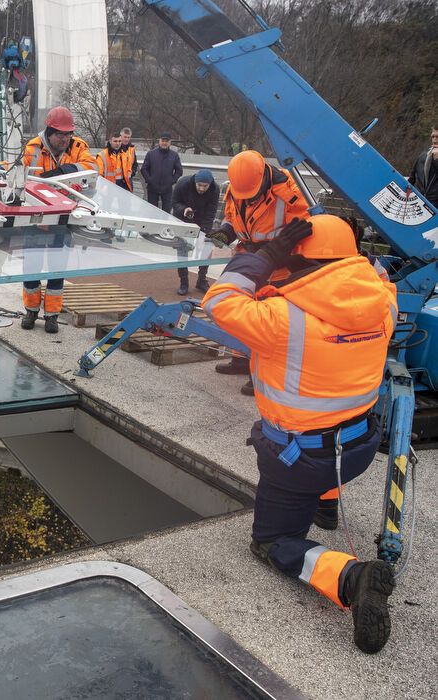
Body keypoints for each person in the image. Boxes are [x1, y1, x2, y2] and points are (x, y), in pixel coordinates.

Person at [202, 215, 398, 654]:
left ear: (296, 259)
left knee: (270, 542)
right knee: (327, 439)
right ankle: (325, 509)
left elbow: (218, 300)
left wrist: (263, 257)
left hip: (304, 460)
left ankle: (349, 578)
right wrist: (344, 244)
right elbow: (375, 273)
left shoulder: (280, 318)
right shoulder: (383, 304)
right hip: (360, 446)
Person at [209, 149, 309, 381]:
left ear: (263, 177)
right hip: (248, 256)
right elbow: (231, 216)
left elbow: (305, 227)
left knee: (268, 321)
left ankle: (261, 374)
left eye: (251, 194)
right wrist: (226, 231)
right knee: (242, 309)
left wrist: (286, 253)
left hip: (279, 262)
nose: (248, 198)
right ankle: (240, 359)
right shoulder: (238, 188)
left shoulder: (289, 193)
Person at [18, 106, 94, 334]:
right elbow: (22, 178)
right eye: (60, 134)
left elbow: (91, 168)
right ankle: (31, 311)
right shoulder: (32, 148)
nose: (65, 139)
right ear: (49, 132)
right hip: (35, 218)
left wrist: (65, 171)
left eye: (68, 134)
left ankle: (51, 315)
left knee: (57, 270)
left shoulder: (79, 147)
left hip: (63, 218)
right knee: (31, 268)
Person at [172, 169, 219, 295]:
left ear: (210, 184)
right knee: (182, 249)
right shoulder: (183, 183)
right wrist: (184, 209)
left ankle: (201, 280)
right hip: (183, 217)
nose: (202, 189)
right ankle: (184, 282)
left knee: (207, 247)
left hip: (203, 218)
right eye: (200, 185)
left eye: (205, 186)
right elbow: (175, 203)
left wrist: (203, 233)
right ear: (195, 182)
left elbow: (211, 212)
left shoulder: (215, 189)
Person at [140, 132, 183, 214]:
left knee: (167, 212)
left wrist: (172, 180)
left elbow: (179, 171)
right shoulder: (151, 154)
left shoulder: (174, 155)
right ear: (159, 141)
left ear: (170, 142)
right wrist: (149, 180)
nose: (164, 143)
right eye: (162, 140)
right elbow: (144, 169)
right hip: (152, 188)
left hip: (167, 189)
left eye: (166, 141)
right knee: (152, 212)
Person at [407, 125, 438, 208]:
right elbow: (411, 179)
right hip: (418, 201)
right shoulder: (423, 155)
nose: (434, 141)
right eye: (433, 137)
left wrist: (436, 159)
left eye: (437, 137)